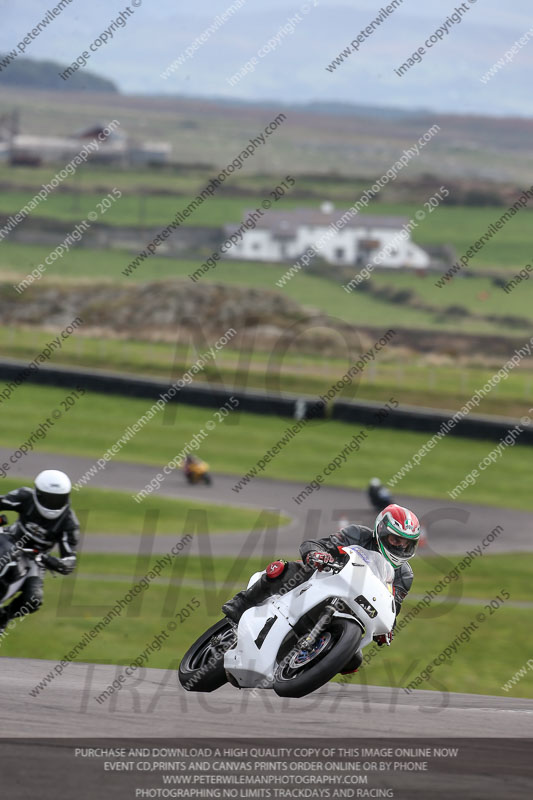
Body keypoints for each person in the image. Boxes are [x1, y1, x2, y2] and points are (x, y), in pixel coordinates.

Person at [221, 504, 420, 674]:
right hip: (324, 579)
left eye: (406, 544)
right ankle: (242, 602)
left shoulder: (404, 575)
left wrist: (386, 629)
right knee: (285, 570)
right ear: (381, 532)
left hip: (355, 607)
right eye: (395, 540)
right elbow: (316, 544)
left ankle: (303, 668)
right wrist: (317, 554)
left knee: (353, 661)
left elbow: (393, 606)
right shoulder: (358, 534)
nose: (400, 548)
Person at [0, 470, 79, 634]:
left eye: (58, 499)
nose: (53, 503)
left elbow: (69, 562)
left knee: (33, 599)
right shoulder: (24, 496)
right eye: (49, 498)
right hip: (10, 538)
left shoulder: (69, 523)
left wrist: (48, 560)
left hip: (36, 557)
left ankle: (3, 619)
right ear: (37, 493)